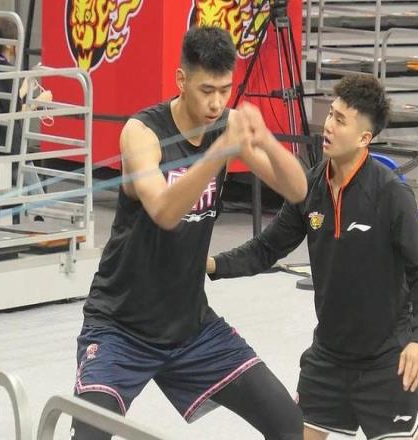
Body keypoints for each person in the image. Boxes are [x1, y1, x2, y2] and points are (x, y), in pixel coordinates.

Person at [70, 26, 307, 440]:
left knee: (288, 424)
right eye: (206, 90)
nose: (216, 103)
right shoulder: (142, 133)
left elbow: (298, 189)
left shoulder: (227, 125)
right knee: (90, 433)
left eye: (225, 90)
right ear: (181, 80)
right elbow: (164, 211)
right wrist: (220, 151)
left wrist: (265, 139)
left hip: (191, 327)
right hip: (120, 326)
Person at [207, 74, 418, 440]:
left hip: (385, 362)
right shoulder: (310, 186)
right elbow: (267, 247)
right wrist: (212, 265)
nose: (328, 125)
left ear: (364, 138)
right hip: (328, 358)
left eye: (340, 120)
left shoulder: (391, 194)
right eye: (330, 114)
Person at [0, 17, 51, 186]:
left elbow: (7, 102)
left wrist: (27, 83)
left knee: (6, 194)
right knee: (33, 193)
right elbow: (16, 112)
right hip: (9, 149)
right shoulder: (7, 73)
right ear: (10, 44)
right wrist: (39, 101)